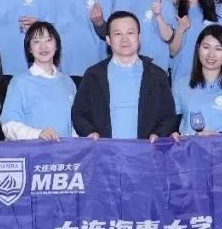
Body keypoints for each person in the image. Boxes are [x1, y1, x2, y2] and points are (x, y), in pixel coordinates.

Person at [72, 11, 178, 141]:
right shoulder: (93, 75)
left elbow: (168, 116)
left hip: (145, 150)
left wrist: (158, 134)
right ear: (108, 40)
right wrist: (89, 132)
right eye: (118, 34)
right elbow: (79, 113)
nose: (124, 39)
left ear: (139, 38)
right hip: (104, 150)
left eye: (130, 33)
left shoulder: (156, 75)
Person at [2, 22, 78, 140]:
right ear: (29, 49)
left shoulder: (68, 82)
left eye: (48, 40)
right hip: (33, 150)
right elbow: (8, 125)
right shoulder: (19, 82)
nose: (43, 47)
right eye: (36, 41)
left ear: (56, 45)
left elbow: (74, 126)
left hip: (65, 151)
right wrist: (38, 134)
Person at [172, 25, 222, 136]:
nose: (211, 54)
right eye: (206, 47)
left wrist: (216, 137)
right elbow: (172, 124)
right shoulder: (180, 84)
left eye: (218, 49)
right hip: (187, 146)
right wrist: (173, 133)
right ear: (198, 48)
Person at [168, 0, 220, 85]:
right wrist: (180, 30)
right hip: (180, 76)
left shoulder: (215, 10)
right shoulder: (172, 10)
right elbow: (172, 52)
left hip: (209, 77)